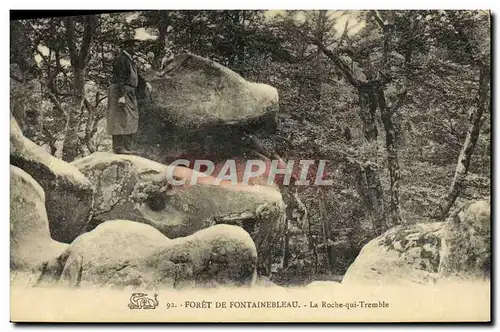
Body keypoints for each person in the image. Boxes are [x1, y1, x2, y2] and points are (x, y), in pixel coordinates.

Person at [107, 38, 152, 154]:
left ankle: (128, 147)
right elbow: (120, 77)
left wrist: (145, 82)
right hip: (120, 91)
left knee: (130, 118)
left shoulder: (129, 59)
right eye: (134, 46)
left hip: (129, 91)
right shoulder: (121, 59)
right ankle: (118, 147)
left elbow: (136, 75)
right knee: (119, 118)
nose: (136, 49)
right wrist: (121, 96)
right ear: (127, 47)